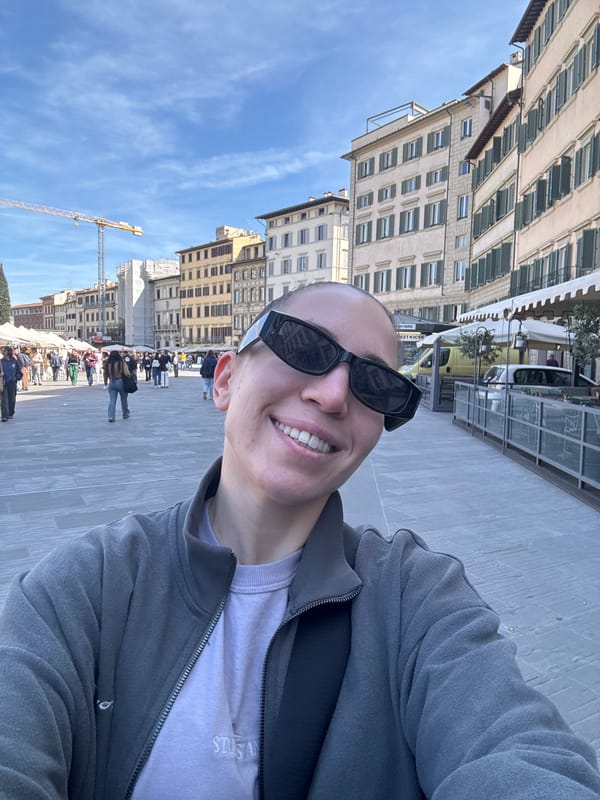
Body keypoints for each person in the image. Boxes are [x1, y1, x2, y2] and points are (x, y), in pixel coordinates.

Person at [1, 283, 599, 800]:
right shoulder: (87, 585)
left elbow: (517, 748)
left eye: (375, 384)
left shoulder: (415, 597)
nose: (334, 395)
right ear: (226, 379)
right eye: (305, 348)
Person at [103, 350, 131, 422]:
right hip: (121, 381)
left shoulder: (108, 363)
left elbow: (105, 373)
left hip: (112, 382)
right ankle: (125, 414)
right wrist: (129, 377)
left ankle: (111, 416)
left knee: (112, 400)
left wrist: (105, 382)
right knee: (124, 399)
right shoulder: (121, 362)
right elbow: (127, 373)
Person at [0, 346, 22, 421]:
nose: (2, 352)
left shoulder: (14, 361)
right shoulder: (1, 362)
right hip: (4, 382)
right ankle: (4, 415)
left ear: (8, 351)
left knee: (12, 399)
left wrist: (16, 378)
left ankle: (10, 412)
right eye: (2, 351)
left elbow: (19, 373)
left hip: (12, 383)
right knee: (4, 399)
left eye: (4, 351)